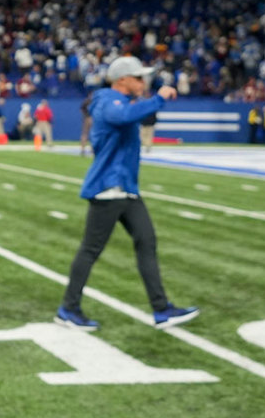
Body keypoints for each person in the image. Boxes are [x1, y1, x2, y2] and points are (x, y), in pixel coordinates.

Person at [56, 56, 199, 331]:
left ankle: (162, 309)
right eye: (138, 77)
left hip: (125, 189)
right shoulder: (107, 101)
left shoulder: (120, 101)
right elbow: (121, 116)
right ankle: (68, 308)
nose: (143, 82)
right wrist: (157, 99)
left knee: (147, 241)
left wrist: (152, 104)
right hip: (108, 188)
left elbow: (136, 115)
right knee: (90, 250)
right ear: (122, 80)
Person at [79, 92, 93, 156]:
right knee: (91, 134)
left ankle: (83, 149)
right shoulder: (94, 101)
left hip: (87, 118)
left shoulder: (86, 101)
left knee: (85, 134)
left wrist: (85, 115)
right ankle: (91, 149)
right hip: (91, 118)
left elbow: (81, 109)